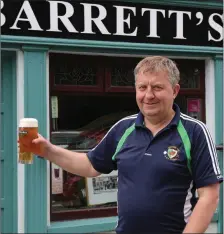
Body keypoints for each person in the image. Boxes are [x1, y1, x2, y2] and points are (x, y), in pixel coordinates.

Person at [19, 56, 223, 233]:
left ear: (175, 90)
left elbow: (209, 196)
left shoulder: (194, 131)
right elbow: (90, 166)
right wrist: (47, 150)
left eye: (157, 87)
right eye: (142, 87)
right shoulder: (123, 129)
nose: (148, 95)